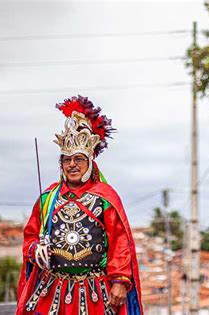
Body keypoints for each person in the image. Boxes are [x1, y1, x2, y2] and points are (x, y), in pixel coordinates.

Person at [16, 96, 143, 315]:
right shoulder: (48, 198)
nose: (72, 165)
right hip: (52, 290)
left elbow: (120, 242)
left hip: (96, 291)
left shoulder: (105, 197)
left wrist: (120, 280)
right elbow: (29, 237)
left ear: (90, 162)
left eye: (78, 159)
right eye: (67, 160)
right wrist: (36, 250)